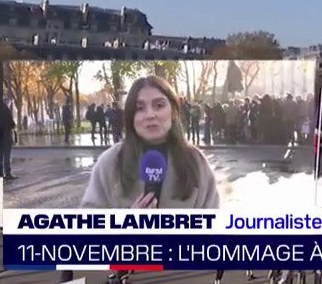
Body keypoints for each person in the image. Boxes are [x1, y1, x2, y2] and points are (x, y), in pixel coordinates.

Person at [79, 76, 220, 208]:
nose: (150, 115)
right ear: (130, 116)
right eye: (140, 108)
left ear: (174, 111)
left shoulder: (196, 162)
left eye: (159, 105)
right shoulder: (110, 162)